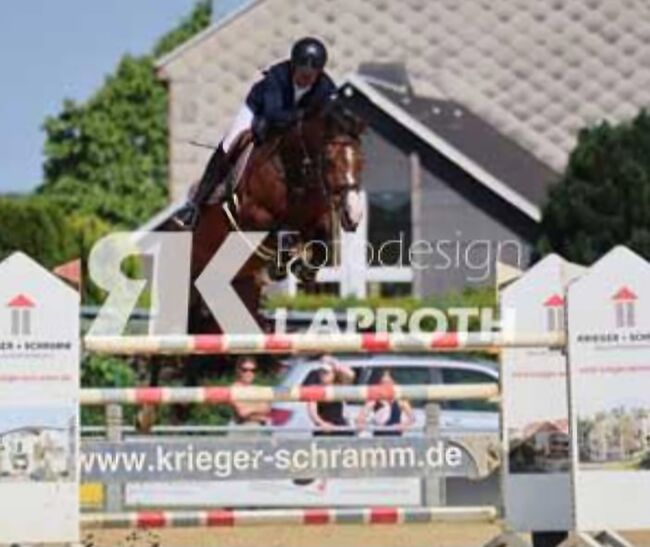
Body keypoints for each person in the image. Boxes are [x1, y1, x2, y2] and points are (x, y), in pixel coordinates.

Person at [173, 36, 337, 229]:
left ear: (319, 72)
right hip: (258, 113)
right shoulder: (277, 76)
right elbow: (273, 114)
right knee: (229, 144)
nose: (306, 78)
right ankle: (195, 204)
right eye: (302, 72)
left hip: (293, 130)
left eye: (312, 74)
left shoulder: (326, 87)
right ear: (294, 66)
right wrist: (303, 115)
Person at [356, 369, 415, 436]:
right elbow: (361, 417)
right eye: (383, 383)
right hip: (381, 434)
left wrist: (402, 426)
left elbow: (412, 418)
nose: (386, 387)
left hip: (395, 435)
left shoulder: (400, 400)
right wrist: (362, 427)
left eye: (389, 383)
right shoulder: (374, 400)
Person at [307, 355, 355, 436]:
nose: (322, 374)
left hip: (340, 426)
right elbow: (312, 412)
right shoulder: (315, 388)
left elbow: (351, 374)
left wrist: (334, 362)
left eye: (326, 372)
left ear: (334, 374)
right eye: (321, 371)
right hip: (323, 428)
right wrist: (322, 423)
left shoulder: (338, 386)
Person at [230, 356, 270, 428]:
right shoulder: (234, 388)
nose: (249, 373)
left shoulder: (256, 388)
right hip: (240, 430)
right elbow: (243, 413)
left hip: (257, 429)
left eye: (253, 370)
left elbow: (266, 409)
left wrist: (250, 409)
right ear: (238, 370)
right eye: (245, 370)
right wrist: (259, 410)